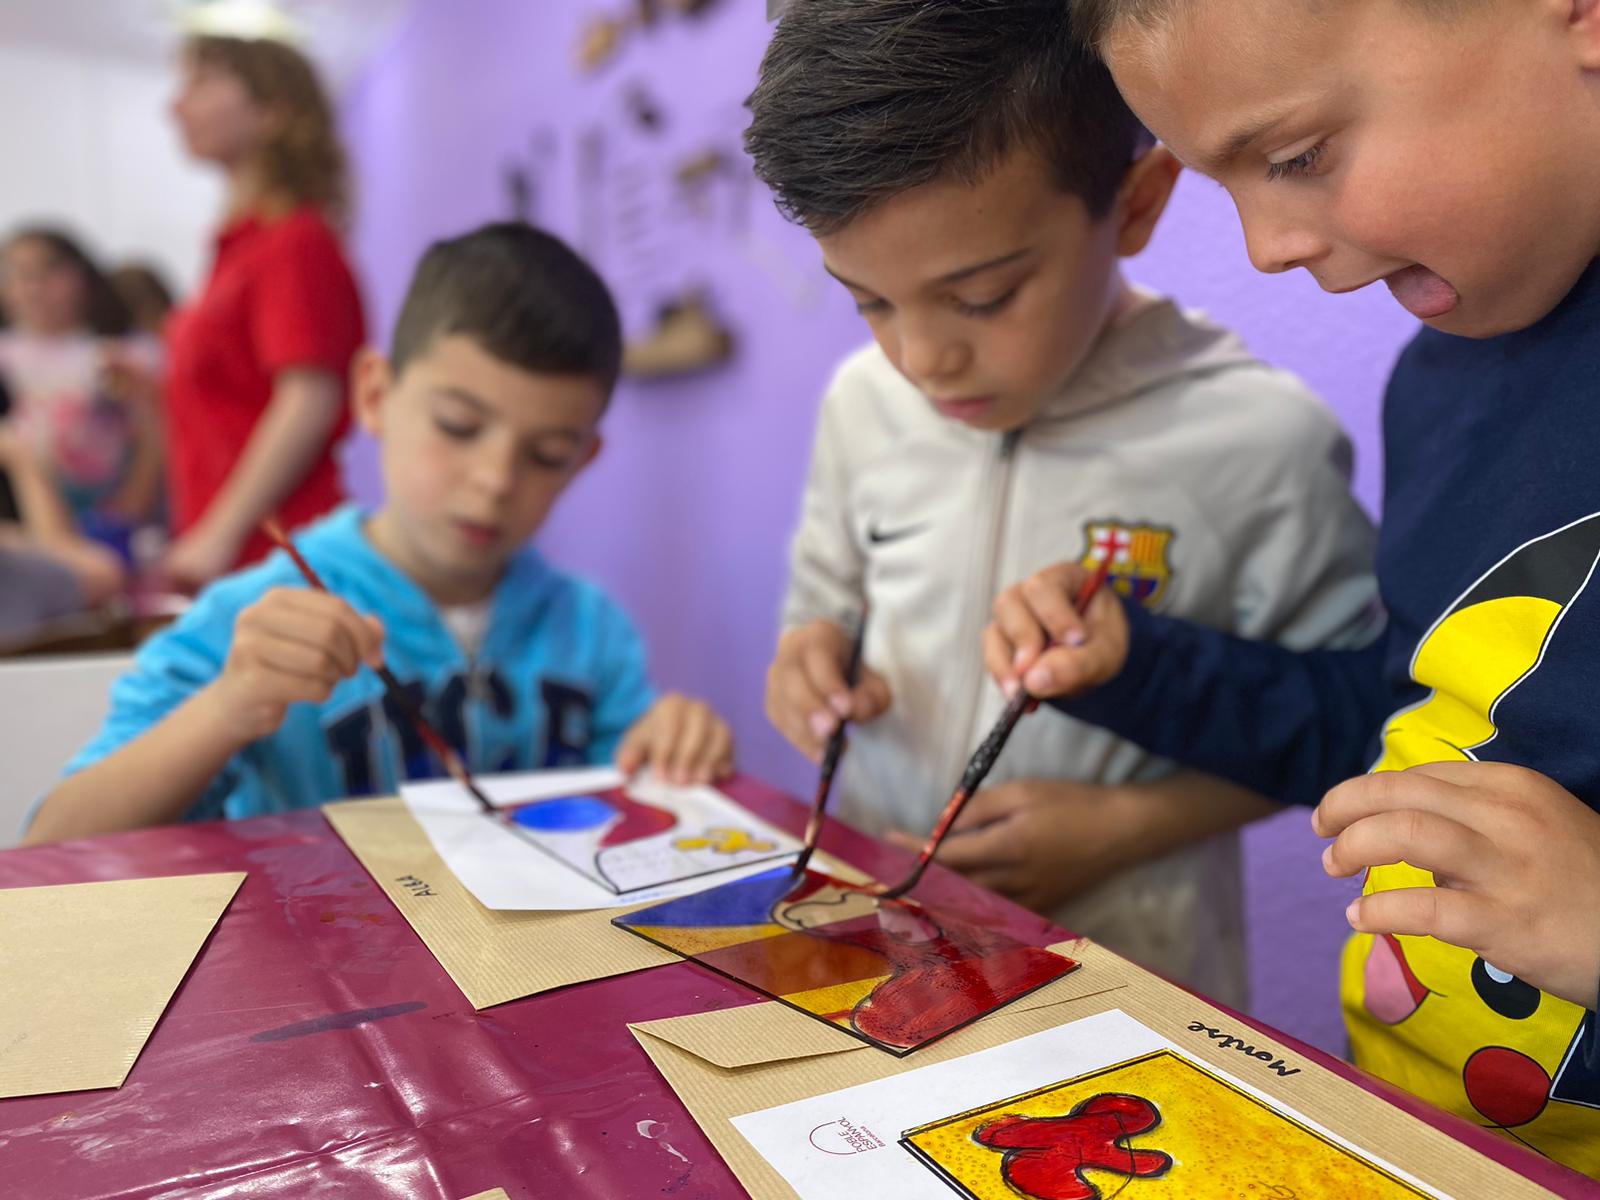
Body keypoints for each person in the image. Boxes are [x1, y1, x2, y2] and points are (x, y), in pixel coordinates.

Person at [983, 0, 1600, 1173]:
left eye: (1298, 156)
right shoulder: (1438, 385)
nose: (1265, 247)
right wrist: (1139, 666)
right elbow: (1393, 732)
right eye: (1224, 186)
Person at [746, 0, 1381, 1006]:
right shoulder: (859, 405)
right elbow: (823, 604)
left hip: (1127, 986)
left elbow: (1361, 730)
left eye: (982, 298)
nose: (921, 359)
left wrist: (1122, 828)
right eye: (868, 300)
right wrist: (807, 660)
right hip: (872, 955)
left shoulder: (1259, 442)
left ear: (1134, 205)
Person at [26, 222, 734, 844]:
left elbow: (637, 809)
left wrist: (672, 746)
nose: (494, 480)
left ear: (583, 459)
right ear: (374, 395)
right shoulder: (253, 618)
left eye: (547, 454)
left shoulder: (591, 630)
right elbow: (52, 842)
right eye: (458, 427)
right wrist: (229, 706)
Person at [158, 35, 365, 587]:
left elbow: (308, 398)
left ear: (273, 110)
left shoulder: (293, 241)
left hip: (274, 550)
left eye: (203, 84)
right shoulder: (238, 251)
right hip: (244, 549)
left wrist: (218, 534)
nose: (176, 106)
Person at [0, 227, 163, 561]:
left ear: (83, 277)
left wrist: (126, 510)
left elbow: (155, 437)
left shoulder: (121, 353)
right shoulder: (7, 356)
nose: (34, 286)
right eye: (19, 273)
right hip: (23, 520)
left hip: (110, 518)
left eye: (49, 271)